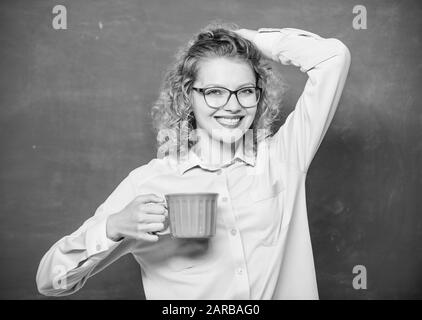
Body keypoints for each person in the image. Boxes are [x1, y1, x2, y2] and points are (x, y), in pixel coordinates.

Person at [36, 21, 351, 300]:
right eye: (215, 91)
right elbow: (51, 280)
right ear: (189, 94)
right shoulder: (149, 183)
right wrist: (113, 227)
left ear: (259, 94)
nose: (232, 106)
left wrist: (244, 39)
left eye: (244, 91)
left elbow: (333, 58)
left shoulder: (282, 158)